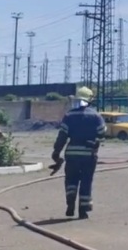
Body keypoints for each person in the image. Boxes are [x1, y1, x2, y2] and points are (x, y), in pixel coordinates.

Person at [51, 86, 106, 219]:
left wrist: (56, 153)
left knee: (71, 180)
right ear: (90, 100)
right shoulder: (96, 116)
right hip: (89, 155)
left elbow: (62, 137)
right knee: (86, 181)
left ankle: (70, 204)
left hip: (71, 155)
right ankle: (83, 210)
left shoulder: (69, 116)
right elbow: (102, 134)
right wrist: (95, 142)